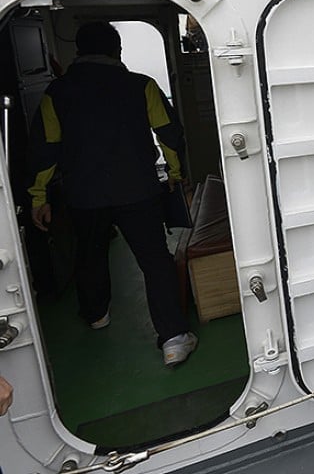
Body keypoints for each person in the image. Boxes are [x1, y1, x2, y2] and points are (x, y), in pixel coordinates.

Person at [28, 22, 197, 367]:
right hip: (137, 189)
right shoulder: (141, 85)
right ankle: (174, 339)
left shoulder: (56, 94)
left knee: (90, 255)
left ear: (77, 52)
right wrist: (175, 174)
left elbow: (46, 150)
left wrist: (38, 197)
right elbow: (169, 134)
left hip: (83, 193)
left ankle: (96, 315)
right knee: (154, 261)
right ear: (117, 51)